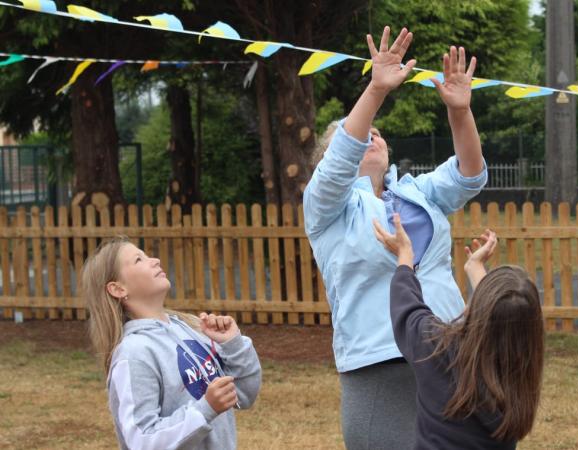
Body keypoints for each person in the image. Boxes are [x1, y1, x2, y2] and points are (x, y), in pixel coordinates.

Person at [303, 25, 488, 449]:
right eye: (357, 135)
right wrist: (375, 92)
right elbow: (337, 167)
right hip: (382, 370)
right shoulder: (325, 209)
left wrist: (460, 112)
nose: (372, 136)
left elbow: (470, 175)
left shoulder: (416, 192)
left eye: (378, 133)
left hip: (452, 352)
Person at [375, 217, 544, 449]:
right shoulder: (518, 375)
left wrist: (405, 257)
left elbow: (407, 309)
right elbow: (501, 317)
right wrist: (475, 269)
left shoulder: (438, 350)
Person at [81, 237, 262, 449]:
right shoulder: (134, 353)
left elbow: (244, 395)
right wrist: (206, 408)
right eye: (139, 260)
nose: (155, 260)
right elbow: (142, 440)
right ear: (118, 289)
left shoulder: (192, 329)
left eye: (148, 255)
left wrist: (234, 344)